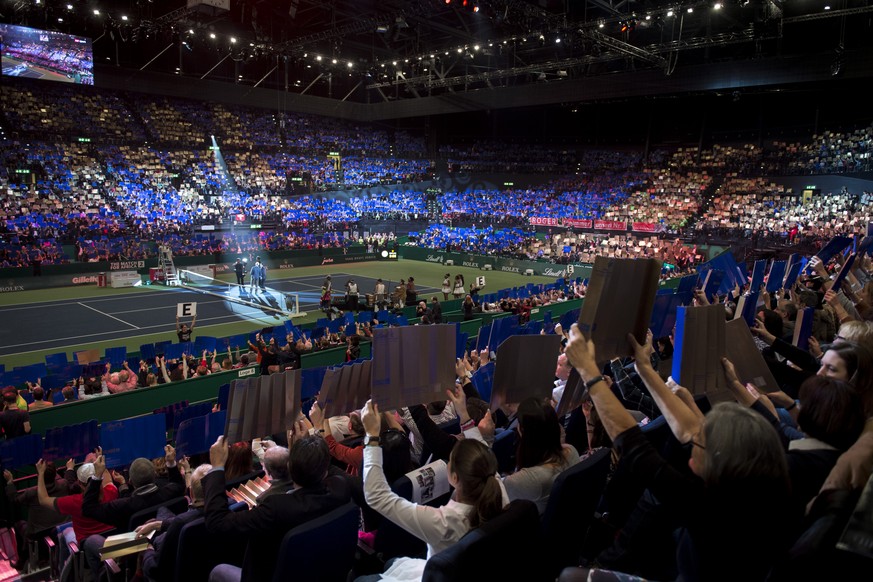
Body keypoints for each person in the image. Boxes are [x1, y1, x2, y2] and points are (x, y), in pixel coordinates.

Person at [563, 325, 794, 581]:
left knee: (572, 578)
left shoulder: (712, 512)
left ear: (722, 464)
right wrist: (645, 368)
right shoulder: (761, 484)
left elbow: (633, 446)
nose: (693, 445)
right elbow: (692, 430)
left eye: (701, 444)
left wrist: (590, 374)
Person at [359, 398, 506, 581]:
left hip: (442, 574)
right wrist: (464, 415)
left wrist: (371, 437)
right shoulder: (498, 485)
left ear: (454, 478)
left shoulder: (443, 522)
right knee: (393, 564)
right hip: (468, 570)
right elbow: (484, 452)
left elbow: (376, 495)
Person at [203, 433, 352, 582]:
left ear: (289, 467)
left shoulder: (276, 508)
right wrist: (300, 453)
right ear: (324, 472)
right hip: (320, 571)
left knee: (218, 571)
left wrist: (217, 467)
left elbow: (217, 522)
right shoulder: (340, 488)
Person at [80, 445, 186, 576]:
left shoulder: (122, 506)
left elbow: (88, 508)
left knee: (91, 541)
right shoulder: (170, 492)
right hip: (168, 540)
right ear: (154, 475)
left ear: (130, 481)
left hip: (131, 547)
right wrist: (170, 462)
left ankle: (107, 577)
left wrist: (97, 476)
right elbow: (179, 484)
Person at [137, 463, 212, 582]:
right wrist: (158, 524)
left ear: (191, 493)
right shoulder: (231, 508)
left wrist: (147, 550)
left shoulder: (181, 524)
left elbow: (155, 570)